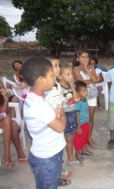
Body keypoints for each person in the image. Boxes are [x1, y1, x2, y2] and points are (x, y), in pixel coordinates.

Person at [22, 57, 67, 188]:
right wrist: (61, 113)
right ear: (41, 80)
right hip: (47, 159)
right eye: (51, 75)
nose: (54, 78)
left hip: (53, 152)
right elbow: (60, 127)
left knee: (52, 183)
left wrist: (57, 115)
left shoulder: (43, 95)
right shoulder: (38, 105)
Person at [45, 56, 72, 183]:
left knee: (59, 149)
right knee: (52, 153)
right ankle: (55, 178)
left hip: (60, 120)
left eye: (58, 65)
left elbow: (62, 99)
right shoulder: (46, 88)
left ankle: (59, 170)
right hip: (52, 124)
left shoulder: (57, 85)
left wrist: (69, 99)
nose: (59, 68)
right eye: (55, 66)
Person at [73, 50, 101, 148]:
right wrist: (91, 79)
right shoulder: (76, 69)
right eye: (83, 57)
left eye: (87, 57)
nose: (86, 59)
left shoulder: (91, 67)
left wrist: (87, 69)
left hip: (92, 95)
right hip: (82, 96)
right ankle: (82, 139)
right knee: (82, 117)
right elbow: (81, 82)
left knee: (90, 117)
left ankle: (89, 138)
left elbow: (96, 80)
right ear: (78, 58)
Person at [58, 64, 82, 166]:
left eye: (71, 74)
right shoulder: (58, 88)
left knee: (70, 138)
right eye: (68, 74)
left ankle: (70, 159)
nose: (71, 76)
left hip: (72, 113)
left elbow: (76, 100)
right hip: (64, 115)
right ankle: (67, 159)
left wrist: (72, 85)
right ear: (60, 76)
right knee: (65, 138)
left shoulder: (71, 86)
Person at [0, 87, 27, 169]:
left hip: (2, 119)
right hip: (3, 119)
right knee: (8, 120)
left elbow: (4, 112)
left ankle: (16, 154)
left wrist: (6, 98)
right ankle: (8, 155)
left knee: (13, 124)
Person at [74, 80, 91, 162]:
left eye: (86, 90)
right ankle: (77, 154)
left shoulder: (84, 99)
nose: (86, 92)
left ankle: (83, 150)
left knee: (85, 137)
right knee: (78, 140)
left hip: (85, 122)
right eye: (84, 91)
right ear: (77, 93)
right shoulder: (78, 103)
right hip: (80, 124)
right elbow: (77, 114)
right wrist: (78, 126)